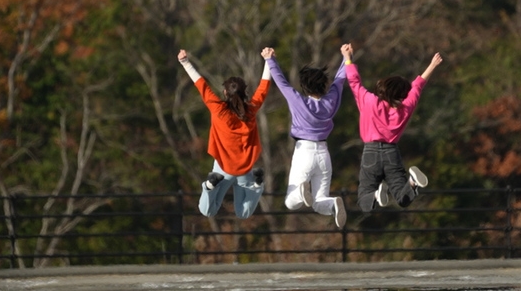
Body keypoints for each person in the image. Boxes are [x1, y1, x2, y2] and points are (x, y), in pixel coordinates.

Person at [341, 43, 442, 213]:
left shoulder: (369, 100)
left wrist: (348, 58)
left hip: (370, 152)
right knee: (402, 198)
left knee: (364, 198)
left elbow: (354, 81)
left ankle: (375, 196)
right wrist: (432, 65)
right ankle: (413, 183)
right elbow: (417, 87)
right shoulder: (405, 108)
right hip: (391, 154)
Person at [178, 48, 271, 219]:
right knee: (243, 213)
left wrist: (185, 62)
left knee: (207, 210)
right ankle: (257, 186)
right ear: (245, 93)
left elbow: (202, 85)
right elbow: (263, 89)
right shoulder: (251, 110)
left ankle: (209, 186)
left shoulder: (218, 110)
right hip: (244, 169)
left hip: (222, 169)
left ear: (226, 93)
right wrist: (269, 60)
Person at [262, 46, 348, 228]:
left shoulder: (299, 101)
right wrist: (346, 58)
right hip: (324, 154)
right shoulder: (330, 102)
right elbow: (340, 81)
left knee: (290, 202)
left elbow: (282, 83)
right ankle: (333, 204)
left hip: (304, 152)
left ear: (304, 86)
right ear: (323, 85)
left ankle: (301, 193)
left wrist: (271, 60)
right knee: (319, 202)